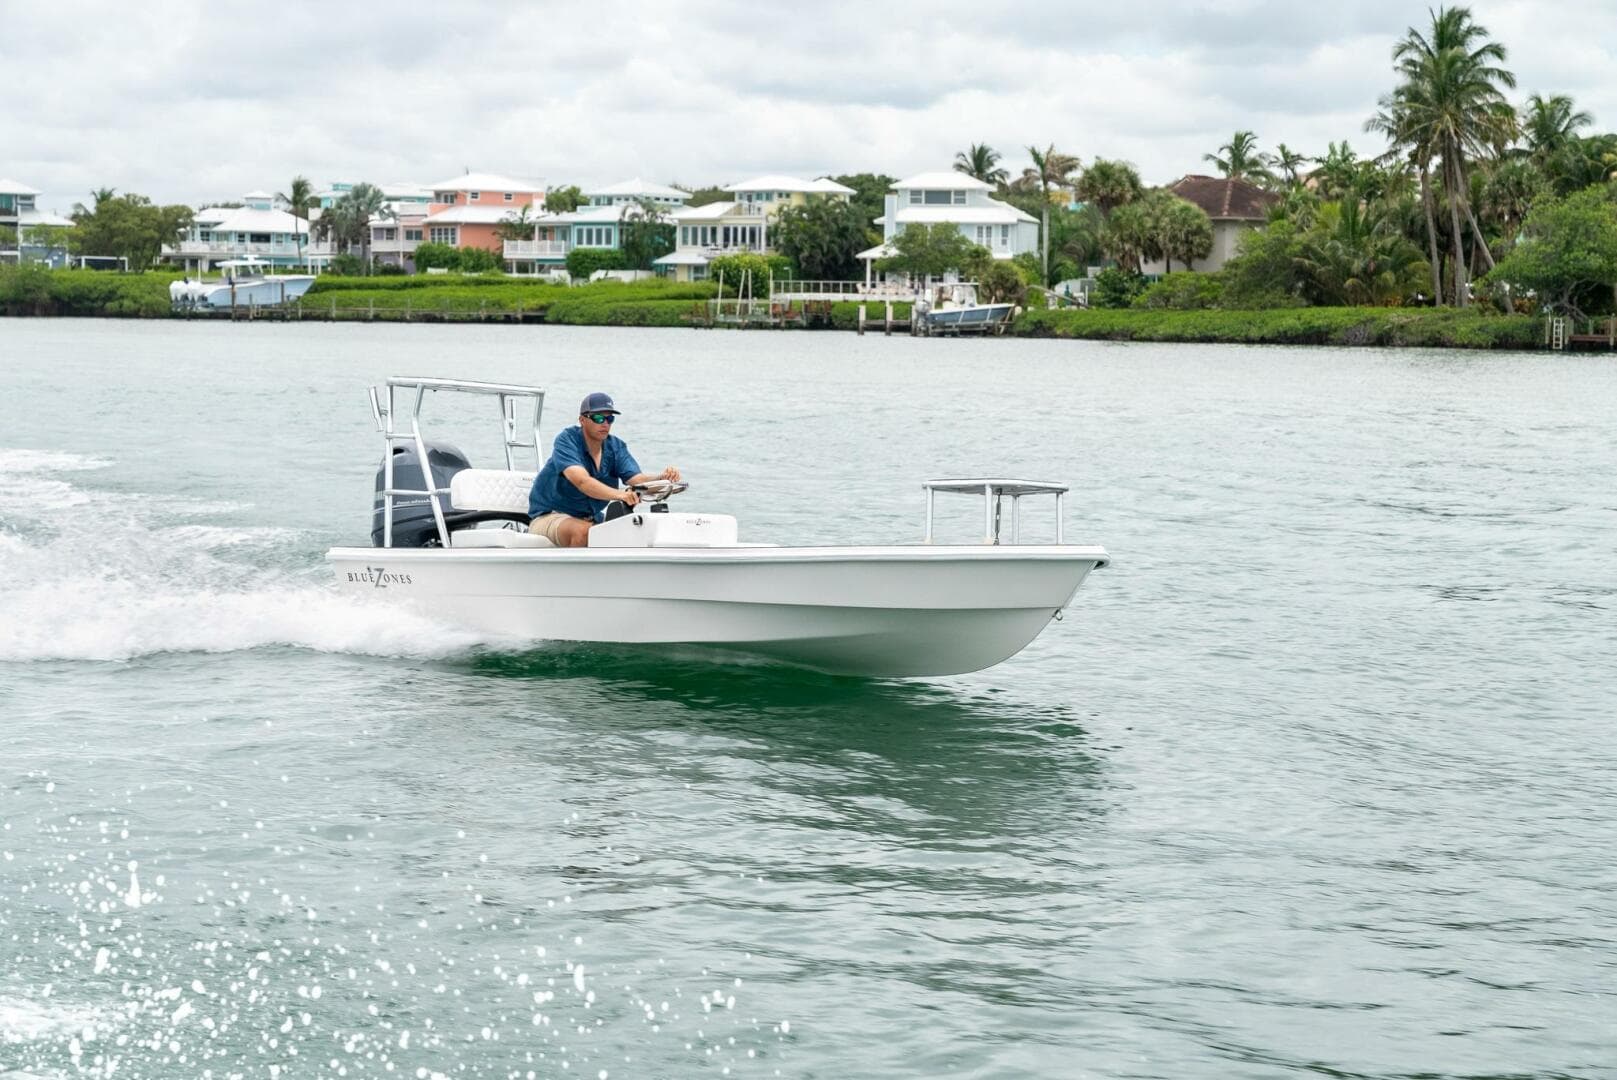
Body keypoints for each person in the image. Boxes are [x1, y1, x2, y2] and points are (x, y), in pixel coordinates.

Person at [527, 393, 681, 548]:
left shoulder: (615, 447)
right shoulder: (567, 440)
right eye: (598, 418)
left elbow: (637, 479)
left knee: (636, 534)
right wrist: (620, 494)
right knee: (584, 532)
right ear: (582, 420)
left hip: (591, 518)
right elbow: (582, 481)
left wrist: (662, 478)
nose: (605, 424)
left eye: (610, 419)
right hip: (550, 515)